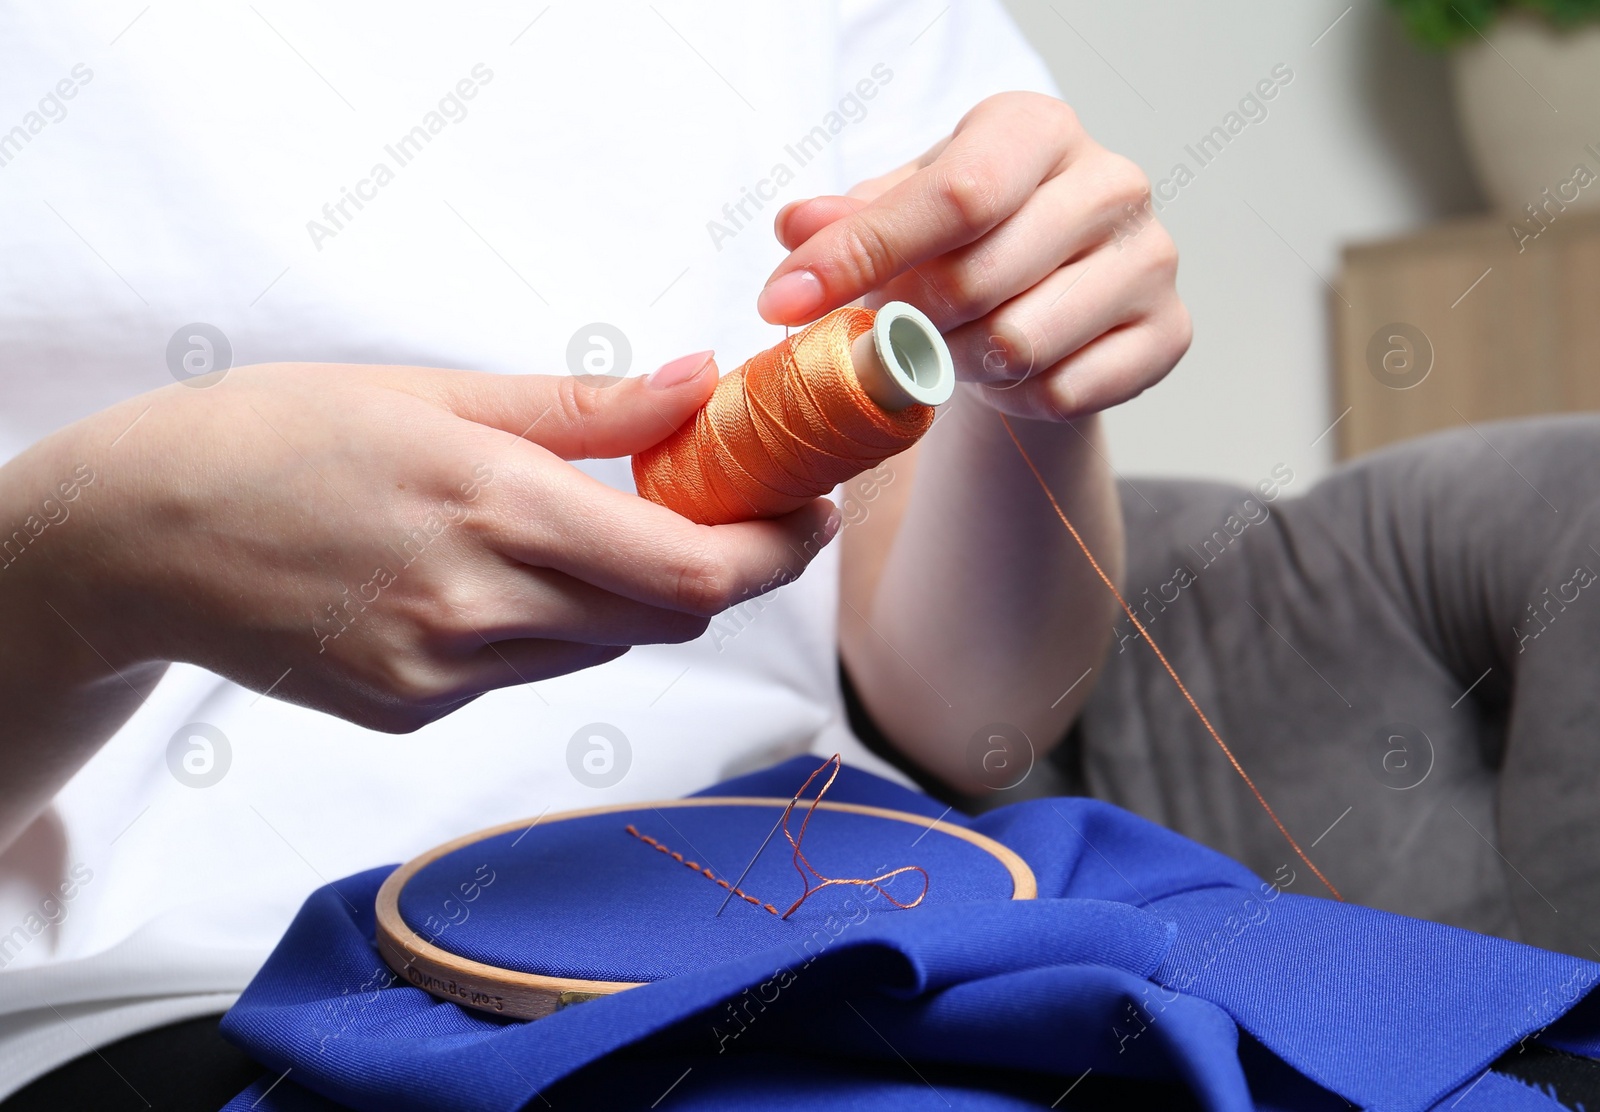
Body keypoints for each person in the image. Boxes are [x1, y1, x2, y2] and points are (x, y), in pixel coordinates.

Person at [0, 1, 1188, 1100]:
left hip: (810, 911)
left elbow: (973, 711)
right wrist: (86, 574)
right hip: (193, 998)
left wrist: (1035, 361)